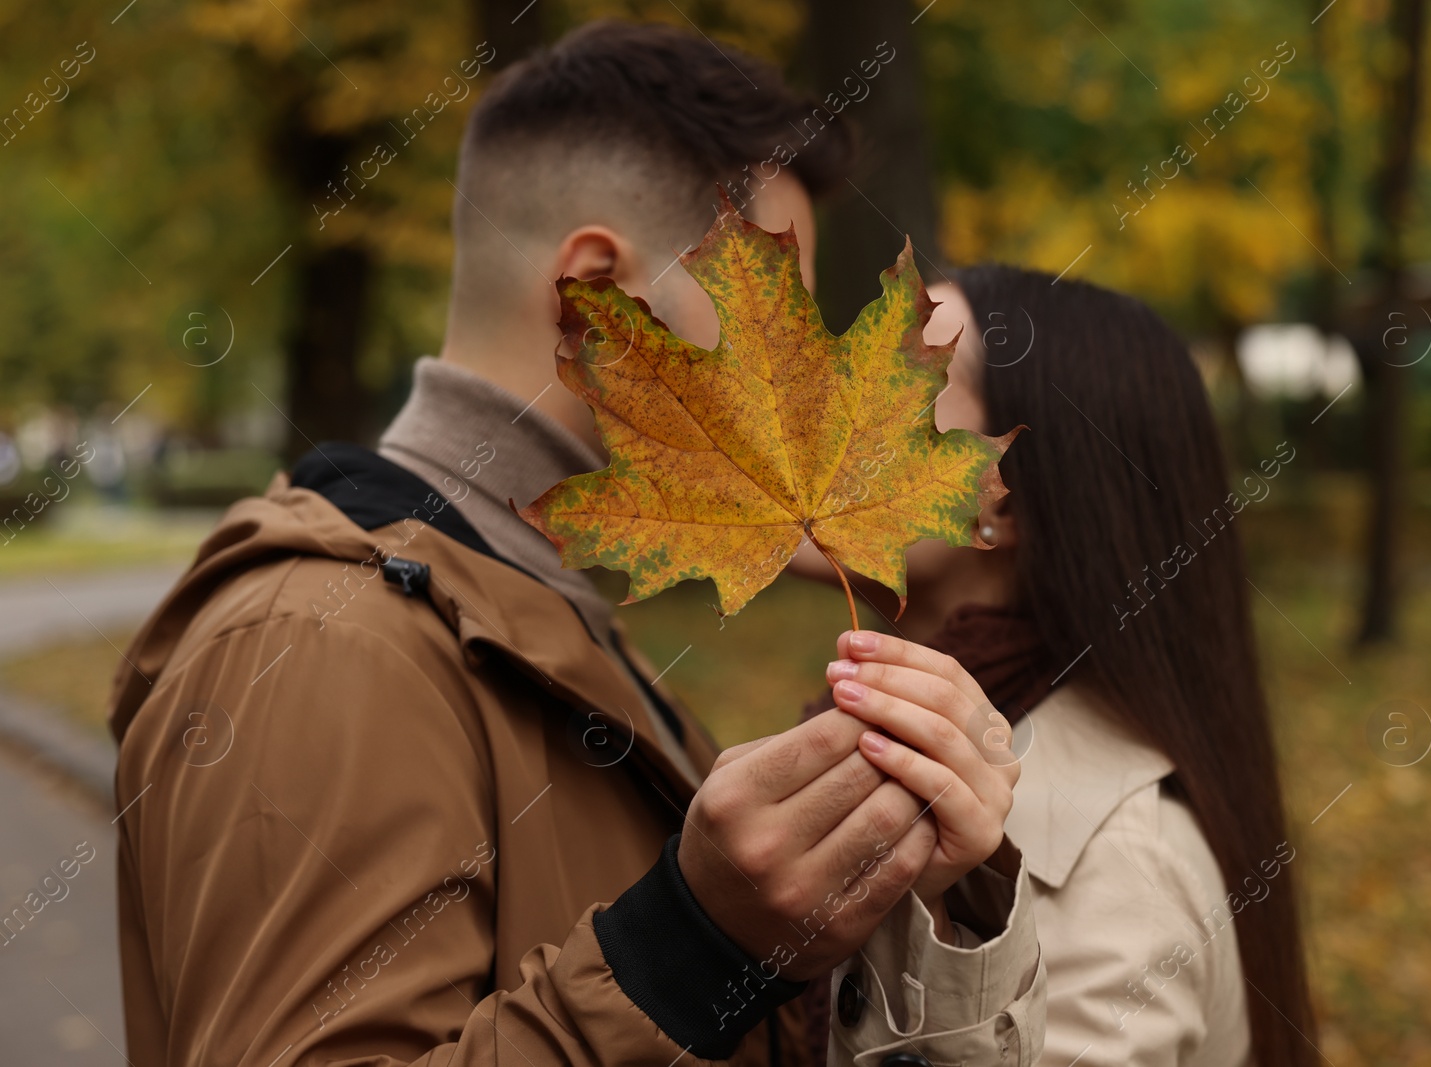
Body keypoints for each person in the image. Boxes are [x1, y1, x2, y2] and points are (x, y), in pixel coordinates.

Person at [107, 24, 1046, 1067]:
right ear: (592, 292)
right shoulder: (317, 643)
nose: (802, 379)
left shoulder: (547, 617)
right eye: (761, 302)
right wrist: (685, 948)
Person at [794, 265, 1316, 1065]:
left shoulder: (1118, 864)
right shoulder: (887, 747)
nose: (831, 409)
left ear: (999, 495)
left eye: (899, 383)